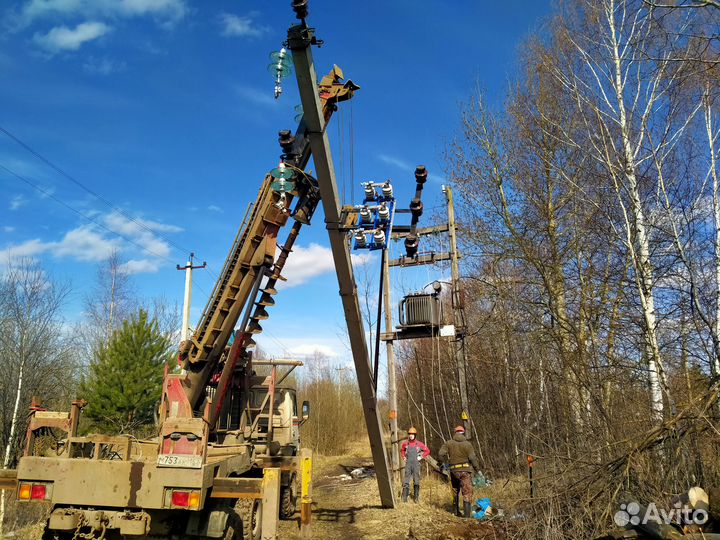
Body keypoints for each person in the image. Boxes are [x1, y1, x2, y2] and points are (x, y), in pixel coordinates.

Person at [439, 425, 480, 518]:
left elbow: (440, 454)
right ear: (463, 432)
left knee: (455, 490)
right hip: (465, 471)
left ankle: (455, 512)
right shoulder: (467, 444)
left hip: (454, 471)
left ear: (455, 432)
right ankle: (466, 516)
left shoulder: (448, 443)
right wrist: (477, 469)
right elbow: (472, 458)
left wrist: (442, 463)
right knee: (467, 492)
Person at [400, 426, 430, 503]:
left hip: (416, 464)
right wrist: (403, 457)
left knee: (416, 480)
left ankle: (416, 498)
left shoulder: (419, 444)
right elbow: (402, 451)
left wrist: (421, 457)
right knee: (406, 480)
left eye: (412, 434)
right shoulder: (405, 444)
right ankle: (404, 498)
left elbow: (427, 451)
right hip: (408, 464)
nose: (411, 435)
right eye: (410, 434)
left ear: (415, 435)